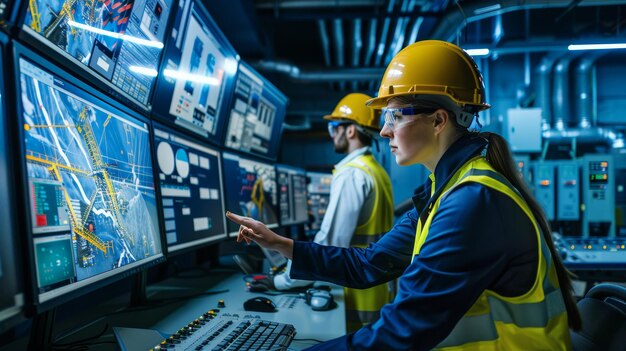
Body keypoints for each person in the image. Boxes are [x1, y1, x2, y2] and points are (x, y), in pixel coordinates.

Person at [227, 40, 581, 350]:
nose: (383, 130)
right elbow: (369, 264)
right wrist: (281, 244)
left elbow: (400, 333)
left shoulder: (470, 203)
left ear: (439, 120)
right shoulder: (446, 191)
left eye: (394, 115)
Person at [261, 92, 395, 332]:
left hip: (354, 294)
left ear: (351, 130)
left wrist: (282, 281)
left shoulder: (351, 174)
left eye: (335, 126)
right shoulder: (377, 171)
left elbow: (329, 245)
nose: (332, 133)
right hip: (374, 289)